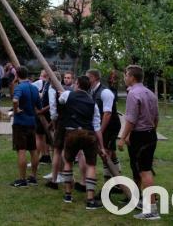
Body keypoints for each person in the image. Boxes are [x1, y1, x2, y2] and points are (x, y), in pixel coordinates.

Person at [118, 65, 160, 220]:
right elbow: (156, 118)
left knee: (144, 172)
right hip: (150, 134)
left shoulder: (133, 94)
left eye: (126, 75)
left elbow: (130, 120)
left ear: (132, 77)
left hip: (140, 136)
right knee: (145, 170)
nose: (124, 78)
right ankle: (147, 204)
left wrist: (122, 138)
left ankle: (151, 210)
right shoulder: (151, 93)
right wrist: (152, 132)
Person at [57, 75, 104, 209]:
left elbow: (60, 101)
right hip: (88, 134)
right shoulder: (93, 103)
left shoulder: (67, 94)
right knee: (91, 165)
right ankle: (90, 200)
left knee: (68, 162)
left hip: (71, 132)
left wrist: (62, 95)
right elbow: (97, 127)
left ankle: (68, 195)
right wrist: (102, 146)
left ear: (76, 84)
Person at [87, 69, 122, 193]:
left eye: (88, 77)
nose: (86, 80)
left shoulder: (105, 92)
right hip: (103, 126)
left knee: (105, 154)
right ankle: (117, 184)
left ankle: (107, 189)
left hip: (110, 126)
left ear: (94, 78)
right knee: (111, 153)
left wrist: (100, 132)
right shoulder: (92, 91)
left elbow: (107, 114)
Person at [45, 71, 76, 189]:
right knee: (63, 151)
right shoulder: (73, 91)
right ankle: (68, 178)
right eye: (65, 78)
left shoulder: (58, 91)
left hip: (62, 123)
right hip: (70, 123)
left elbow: (53, 110)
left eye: (69, 78)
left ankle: (55, 180)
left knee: (58, 151)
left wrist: (53, 123)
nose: (66, 79)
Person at [11, 67, 40, 187]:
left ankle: (22, 179)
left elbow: (15, 100)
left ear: (17, 75)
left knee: (21, 150)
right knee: (33, 150)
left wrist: (16, 109)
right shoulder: (34, 88)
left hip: (20, 123)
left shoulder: (19, 87)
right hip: (32, 122)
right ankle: (33, 177)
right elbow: (39, 107)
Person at [33, 70, 52, 165]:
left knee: (42, 136)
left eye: (44, 75)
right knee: (42, 136)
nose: (42, 77)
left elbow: (52, 102)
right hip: (43, 113)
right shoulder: (45, 84)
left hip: (46, 114)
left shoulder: (51, 86)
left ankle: (36, 158)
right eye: (41, 75)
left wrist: (41, 110)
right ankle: (44, 156)